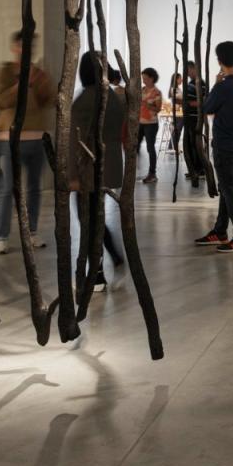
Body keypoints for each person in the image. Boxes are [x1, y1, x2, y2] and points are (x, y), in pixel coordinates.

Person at [0, 30, 56, 254]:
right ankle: (1, 236)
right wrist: (23, 84)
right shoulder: (6, 71)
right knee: (7, 188)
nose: (27, 50)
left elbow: (48, 101)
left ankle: (32, 232)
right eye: (22, 46)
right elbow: (0, 102)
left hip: (37, 138)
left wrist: (43, 84)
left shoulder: (39, 73)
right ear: (14, 47)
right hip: (9, 139)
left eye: (31, 46)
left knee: (34, 188)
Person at [194, 42, 233, 253]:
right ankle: (220, 231)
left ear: (219, 61)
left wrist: (215, 84)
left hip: (225, 145)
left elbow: (207, 107)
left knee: (229, 191)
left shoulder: (223, 87)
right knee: (227, 187)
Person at [71, 51, 127, 291]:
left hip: (89, 167)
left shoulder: (86, 100)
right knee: (94, 217)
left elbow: (76, 140)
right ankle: (111, 259)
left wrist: (73, 175)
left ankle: (97, 274)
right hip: (109, 163)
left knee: (89, 220)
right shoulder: (111, 96)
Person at [182, 61, 208, 186]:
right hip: (189, 117)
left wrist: (190, 103)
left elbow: (205, 100)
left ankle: (200, 170)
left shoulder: (200, 83)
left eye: (188, 70)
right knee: (189, 144)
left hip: (195, 117)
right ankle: (193, 170)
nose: (187, 73)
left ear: (193, 69)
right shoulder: (191, 83)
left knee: (196, 144)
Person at [139, 67, 163, 184]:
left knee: (150, 148)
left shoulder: (157, 92)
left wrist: (145, 104)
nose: (143, 80)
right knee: (134, 145)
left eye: (145, 78)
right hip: (140, 122)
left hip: (151, 124)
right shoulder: (142, 90)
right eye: (142, 78)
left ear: (152, 78)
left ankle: (152, 173)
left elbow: (158, 109)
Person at [168, 72, 185, 151]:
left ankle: (172, 146)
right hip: (177, 112)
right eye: (180, 78)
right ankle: (173, 147)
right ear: (176, 79)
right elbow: (177, 100)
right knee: (177, 129)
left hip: (179, 112)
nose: (181, 79)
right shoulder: (173, 89)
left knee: (178, 129)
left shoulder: (178, 89)